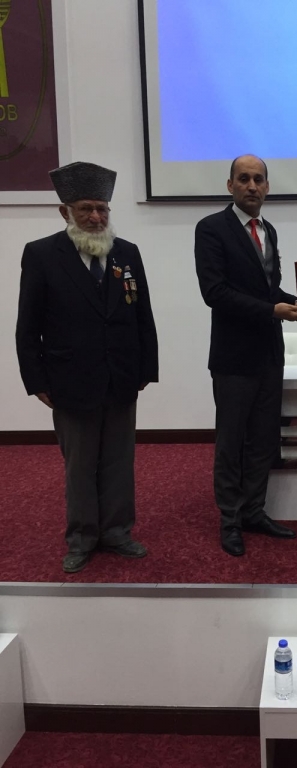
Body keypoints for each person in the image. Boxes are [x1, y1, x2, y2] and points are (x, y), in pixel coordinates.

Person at [16, 161, 159, 573]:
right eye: (86, 209)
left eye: (102, 208)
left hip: (121, 377)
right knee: (79, 465)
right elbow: (28, 325)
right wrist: (36, 380)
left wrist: (146, 369)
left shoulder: (127, 252)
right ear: (65, 211)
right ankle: (81, 537)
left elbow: (143, 316)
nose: (96, 217)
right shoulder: (41, 255)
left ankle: (117, 532)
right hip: (69, 380)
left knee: (119, 460)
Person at [195, 154, 297, 557]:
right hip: (233, 358)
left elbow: (268, 290)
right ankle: (229, 520)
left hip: (269, 355)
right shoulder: (211, 228)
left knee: (264, 441)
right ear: (230, 185)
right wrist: (272, 310)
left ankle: (253, 511)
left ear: (267, 187)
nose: (252, 186)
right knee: (231, 443)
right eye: (243, 179)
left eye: (258, 179)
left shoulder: (268, 230)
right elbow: (215, 293)